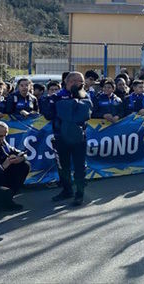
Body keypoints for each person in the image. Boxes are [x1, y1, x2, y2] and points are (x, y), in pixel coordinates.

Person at [43, 72, 92, 206]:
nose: (81, 84)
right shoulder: (56, 97)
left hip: (79, 137)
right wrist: (72, 106)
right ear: (69, 82)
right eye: (78, 81)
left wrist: (71, 105)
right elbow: (49, 114)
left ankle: (79, 194)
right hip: (60, 137)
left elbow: (85, 114)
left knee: (79, 166)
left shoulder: (85, 96)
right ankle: (67, 190)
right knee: (62, 166)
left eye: (82, 81)